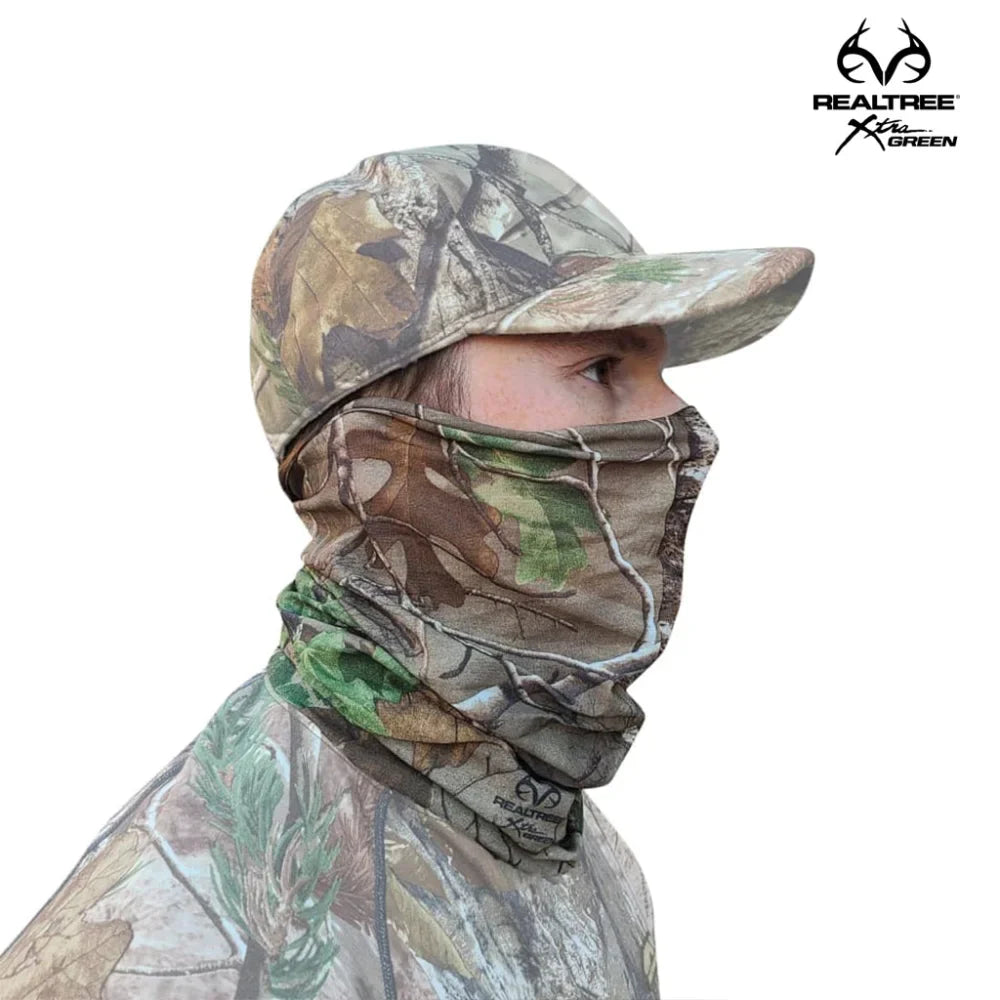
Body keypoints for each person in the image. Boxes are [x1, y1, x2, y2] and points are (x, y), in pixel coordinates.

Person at [0, 143, 814, 999]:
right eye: (603, 368)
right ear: (387, 449)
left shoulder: (583, 860)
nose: (682, 423)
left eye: (660, 370)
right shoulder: (185, 930)